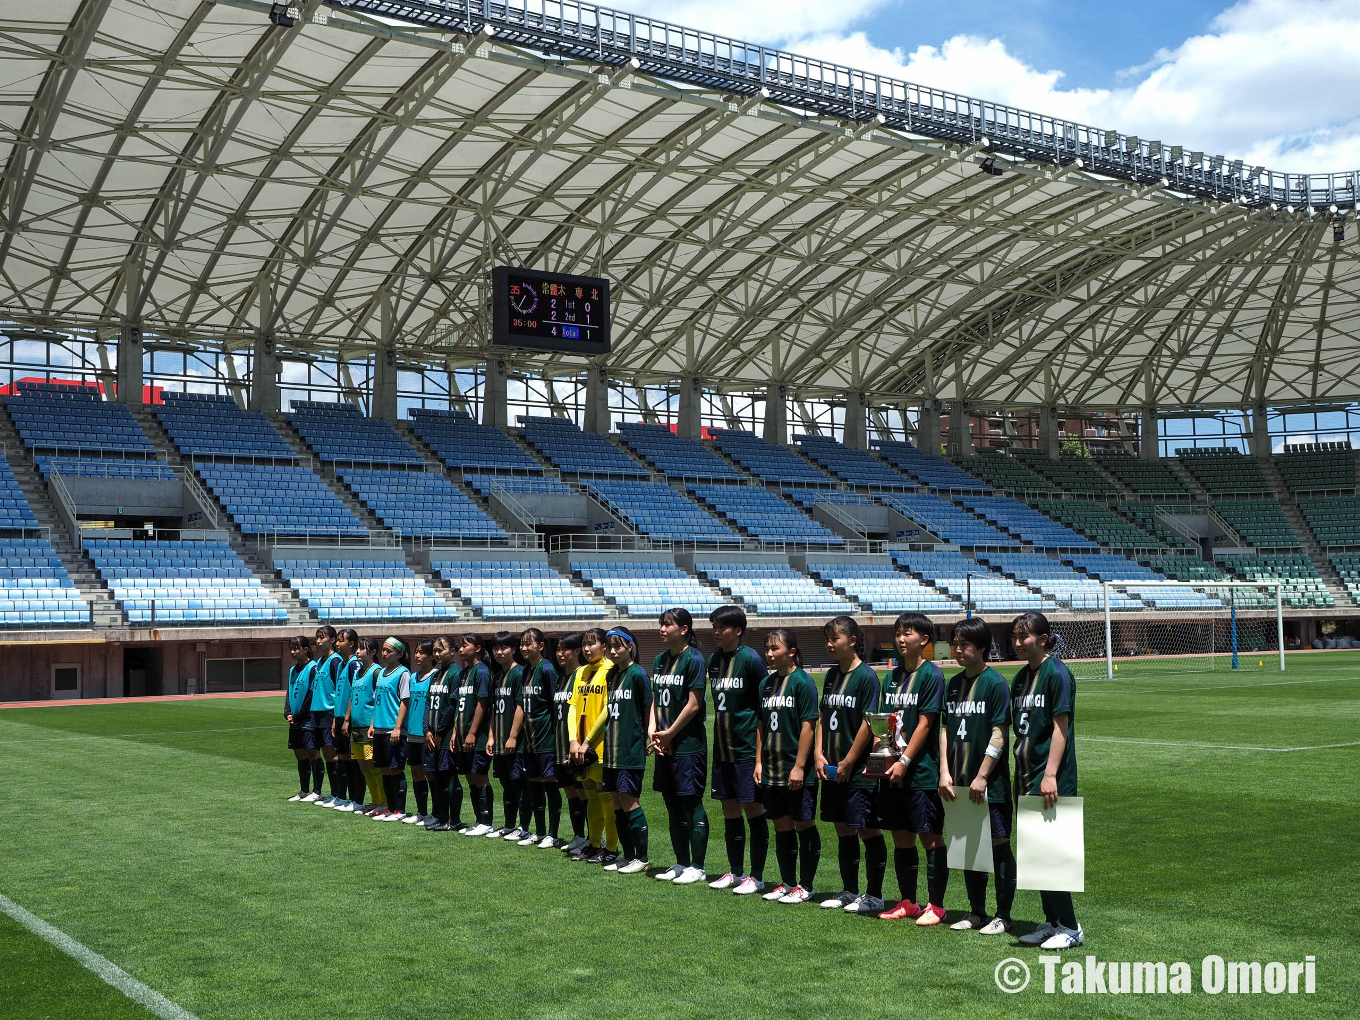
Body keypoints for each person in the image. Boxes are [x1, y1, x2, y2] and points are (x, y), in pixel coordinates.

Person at [1009, 612, 1083, 950]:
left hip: (1050, 778)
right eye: (1014, 636)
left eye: (1024, 636)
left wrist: (1050, 773)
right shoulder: (1022, 677)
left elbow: (1060, 727)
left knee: (1053, 853)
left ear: (1043, 638)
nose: (1018, 642)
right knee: (1037, 855)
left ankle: (1070, 926)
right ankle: (1052, 922)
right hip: (1025, 776)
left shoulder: (1057, 674)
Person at [939, 617, 1015, 934]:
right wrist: (944, 770)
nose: (958, 649)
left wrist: (983, 775)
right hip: (957, 782)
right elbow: (945, 728)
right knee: (969, 848)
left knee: (997, 845)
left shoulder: (995, 684)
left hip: (989, 785)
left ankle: (1003, 915)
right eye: (955, 643)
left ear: (982, 647)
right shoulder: (953, 683)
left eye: (965, 644)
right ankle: (976, 913)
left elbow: (999, 734)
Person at [875, 613, 948, 925]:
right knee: (901, 836)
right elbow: (882, 722)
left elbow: (926, 723)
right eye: (898, 633)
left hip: (921, 772)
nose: (901, 639)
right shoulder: (891, 676)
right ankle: (908, 901)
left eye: (907, 634)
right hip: (891, 770)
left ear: (924, 640)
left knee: (929, 837)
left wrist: (904, 761)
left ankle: (937, 905)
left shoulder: (932, 675)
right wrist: (881, 757)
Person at [814, 615, 888, 915]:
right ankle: (849, 891)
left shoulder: (865, 677)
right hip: (831, 768)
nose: (830, 645)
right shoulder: (832, 675)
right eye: (827, 640)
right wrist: (819, 754)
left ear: (853, 641)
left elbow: (867, 724)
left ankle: (875, 895)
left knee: (867, 830)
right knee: (843, 830)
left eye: (836, 639)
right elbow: (822, 718)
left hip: (856, 772)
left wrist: (848, 761)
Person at [705, 606, 769, 894]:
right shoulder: (714, 660)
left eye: (722, 627)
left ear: (738, 630)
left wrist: (759, 755)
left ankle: (756, 876)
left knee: (754, 810)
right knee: (729, 810)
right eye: (714, 627)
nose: (717, 632)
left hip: (746, 750)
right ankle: (735, 871)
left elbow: (764, 707)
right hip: (722, 749)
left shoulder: (752, 660)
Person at [753, 628, 820, 905]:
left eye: (775, 648)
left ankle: (806, 885)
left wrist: (799, 766)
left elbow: (809, 726)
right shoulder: (766, 685)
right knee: (781, 826)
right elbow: (761, 726)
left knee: (803, 823)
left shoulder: (802, 682)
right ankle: (788, 882)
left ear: (791, 652)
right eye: (767, 649)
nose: (769, 654)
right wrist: (758, 762)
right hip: (770, 769)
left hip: (794, 769)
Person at [649, 608, 709, 886]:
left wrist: (670, 733)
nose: (662, 629)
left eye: (668, 625)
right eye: (661, 624)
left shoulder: (694, 659)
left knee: (690, 802)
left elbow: (694, 704)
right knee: (671, 804)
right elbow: (655, 700)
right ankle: (681, 862)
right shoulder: (660, 660)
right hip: (665, 745)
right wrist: (653, 731)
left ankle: (697, 865)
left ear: (684, 629)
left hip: (687, 745)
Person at [587, 627, 653, 874]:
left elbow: (648, 707)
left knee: (629, 802)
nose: (613, 651)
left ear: (630, 647)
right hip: (611, 751)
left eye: (618, 647)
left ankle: (643, 858)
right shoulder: (611, 676)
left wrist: (649, 735)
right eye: (610, 647)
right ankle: (627, 856)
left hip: (629, 749)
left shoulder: (638, 674)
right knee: (616, 804)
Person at [570, 628, 619, 865]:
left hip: (598, 745)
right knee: (591, 796)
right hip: (579, 746)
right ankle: (594, 843)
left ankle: (611, 848)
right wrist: (573, 740)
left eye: (593, 644)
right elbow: (572, 707)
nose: (587, 649)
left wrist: (587, 740)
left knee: (605, 795)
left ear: (604, 646)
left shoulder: (610, 670)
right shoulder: (580, 672)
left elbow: (607, 709)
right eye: (584, 644)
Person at [518, 628, 564, 848]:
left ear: (541, 646)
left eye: (529, 643)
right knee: (534, 785)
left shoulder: (547, 670)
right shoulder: (526, 670)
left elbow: (556, 706)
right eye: (522, 644)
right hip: (530, 740)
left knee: (550, 784)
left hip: (546, 738)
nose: (525, 648)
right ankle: (540, 831)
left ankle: (553, 834)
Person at [486, 631, 526, 840]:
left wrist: (512, 736)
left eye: (504, 648)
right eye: (496, 648)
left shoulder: (519, 673)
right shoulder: (497, 676)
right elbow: (494, 708)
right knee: (505, 783)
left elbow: (520, 705)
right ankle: (510, 824)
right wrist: (492, 736)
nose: (499, 652)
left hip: (514, 742)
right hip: (500, 739)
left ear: (514, 649)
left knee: (517, 782)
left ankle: (523, 826)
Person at [455, 634, 496, 836]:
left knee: (480, 776)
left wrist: (472, 733)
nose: (460, 650)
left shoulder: (481, 671)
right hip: (462, 735)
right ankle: (479, 819)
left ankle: (487, 821)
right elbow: (459, 707)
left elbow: (482, 703)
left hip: (477, 736)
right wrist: (455, 732)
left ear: (478, 648)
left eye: (465, 645)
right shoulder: (464, 673)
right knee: (470, 778)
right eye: (459, 646)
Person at [368, 637, 412, 822]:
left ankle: (399, 810)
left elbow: (405, 701)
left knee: (395, 769)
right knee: (384, 769)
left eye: (389, 650)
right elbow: (377, 701)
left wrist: (397, 727)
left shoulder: (403, 673)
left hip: (393, 730)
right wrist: (372, 724)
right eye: (383, 650)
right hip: (379, 729)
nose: (384, 653)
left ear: (400, 654)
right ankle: (390, 807)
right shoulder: (382, 673)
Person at [553, 633, 590, 852]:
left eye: (565, 649)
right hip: (559, 745)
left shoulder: (582, 676)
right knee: (571, 793)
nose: (560, 654)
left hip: (575, 746)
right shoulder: (560, 678)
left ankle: (594, 838)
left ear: (577, 651)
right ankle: (578, 836)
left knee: (584, 793)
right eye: (558, 650)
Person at [423, 635, 461, 831]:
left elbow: (452, 706)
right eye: (435, 650)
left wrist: (438, 732)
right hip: (432, 736)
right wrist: (426, 730)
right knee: (436, 779)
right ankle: (440, 816)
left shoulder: (456, 674)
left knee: (449, 778)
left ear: (452, 651)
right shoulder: (436, 675)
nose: (437, 654)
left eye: (441, 650)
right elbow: (428, 703)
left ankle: (452, 820)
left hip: (445, 737)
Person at [344, 637, 386, 816]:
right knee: (363, 767)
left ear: (374, 652)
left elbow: (379, 700)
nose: (358, 651)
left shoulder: (377, 672)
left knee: (373, 765)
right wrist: (347, 720)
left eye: (362, 648)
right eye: (358, 648)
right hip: (356, 728)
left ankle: (383, 803)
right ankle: (375, 801)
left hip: (368, 728)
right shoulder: (357, 672)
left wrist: (373, 724)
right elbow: (353, 697)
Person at [309, 626, 345, 807]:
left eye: (322, 637)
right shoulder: (319, 662)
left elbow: (339, 690)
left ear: (332, 640)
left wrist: (336, 717)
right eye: (316, 637)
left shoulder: (335, 661)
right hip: (317, 713)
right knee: (327, 754)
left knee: (334, 755)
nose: (318, 640)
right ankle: (333, 794)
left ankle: (339, 794)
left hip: (329, 713)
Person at [404, 639, 437, 826]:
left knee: (430, 774)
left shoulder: (436, 676)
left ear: (432, 656)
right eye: (416, 652)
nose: (418, 655)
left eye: (422, 652)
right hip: (412, 733)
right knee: (416, 773)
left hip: (427, 735)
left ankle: (435, 812)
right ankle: (422, 812)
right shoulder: (413, 677)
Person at [285, 636, 320, 802]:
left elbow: (311, 694)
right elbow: (289, 693)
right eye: (291, 648)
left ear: (306, 650)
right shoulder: (293, 670)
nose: (292, 652)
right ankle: (304, 790)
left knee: (313, 753)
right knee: (300, 754)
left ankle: (317, 791)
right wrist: (287, 712)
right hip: (295, 720)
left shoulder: (313, 668)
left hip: (307, 719)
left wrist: (299, 715)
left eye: (296, 648)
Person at [330, 628, 361, 813]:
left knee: (352, 760)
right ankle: (344, 797)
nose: (337, 643)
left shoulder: (353, 664)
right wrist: (336, 718)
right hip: (340, 717)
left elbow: (355, 692)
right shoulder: (342, 664)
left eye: (341, 640)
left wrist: (347, 719)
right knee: (341, 758)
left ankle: (356, 798)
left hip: (350, 718)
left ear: (351, 644)